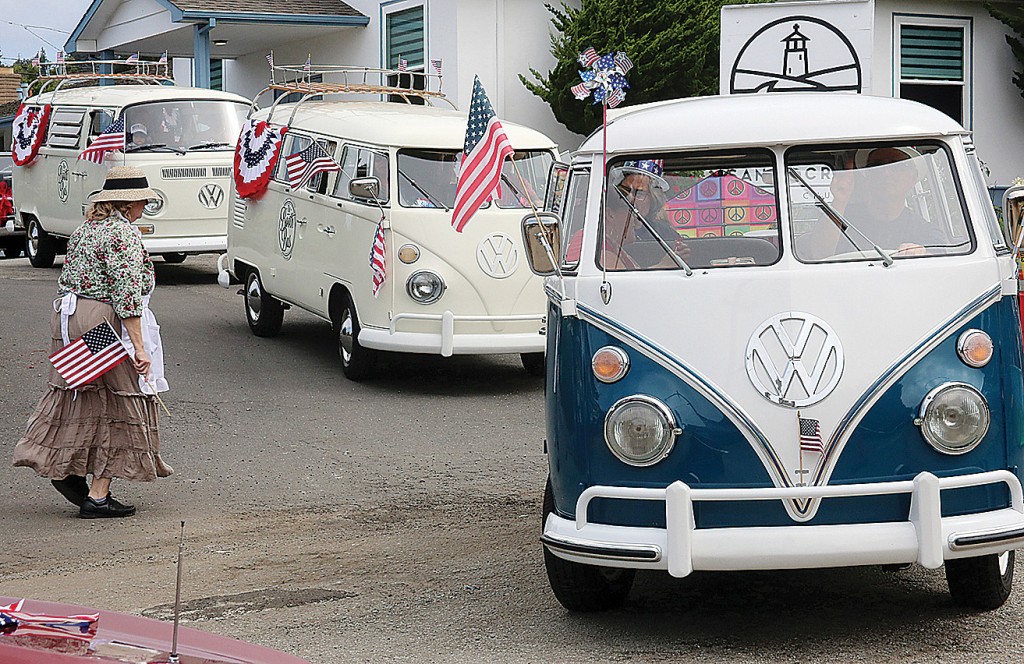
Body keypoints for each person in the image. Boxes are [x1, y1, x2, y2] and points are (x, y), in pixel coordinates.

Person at [12, 166, 172, 518]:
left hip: (69, 317)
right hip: (102, 322)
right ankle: (97, 494)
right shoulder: (122, 234)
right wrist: (140, 349)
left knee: (78, 395)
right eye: (141, 199)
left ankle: (66, 467)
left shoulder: (87, 229)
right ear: (128, 204)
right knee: (119, 401)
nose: (144, 204)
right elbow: (126, 294)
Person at [564, 159, 685, 269]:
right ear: (609, 213)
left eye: (639, 193)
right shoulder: (593, 241)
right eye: (623, 192)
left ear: (653, 199)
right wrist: (662, 266)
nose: (630, 199)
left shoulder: (664, 232)